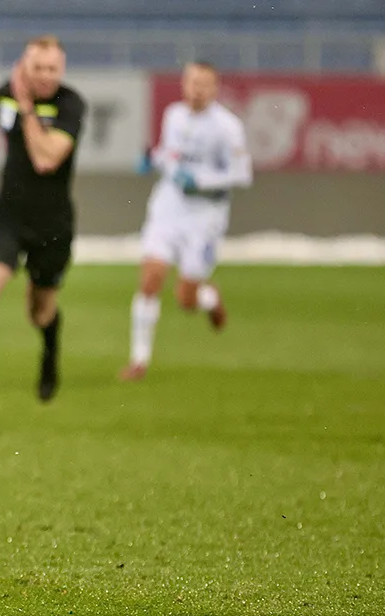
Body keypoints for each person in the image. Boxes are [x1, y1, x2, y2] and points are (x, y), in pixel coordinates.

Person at [0, 35, 86, 430]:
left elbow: (46, 159)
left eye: (52, 69)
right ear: (25, 67)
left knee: (40, 313)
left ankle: (50, 351)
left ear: (62, 70)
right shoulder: (4, 95)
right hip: (7, 217)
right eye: (38, 68)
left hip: (52, 226)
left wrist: (25, 108)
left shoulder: (70, 105)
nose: (45, 75)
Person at [120, 62, 252, 381]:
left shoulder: (227, 127)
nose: (197, 90)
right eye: (193, 82)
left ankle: (210, 298)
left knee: (186, 299)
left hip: (205, 217)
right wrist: (153, 159)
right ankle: (139, 359)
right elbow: (171, 156)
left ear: (215, 88)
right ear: (184, 84)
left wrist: (201, 181)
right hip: (168, 207)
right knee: (150, 278)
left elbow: (241, 174)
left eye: (204, 84)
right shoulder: (174, 115)